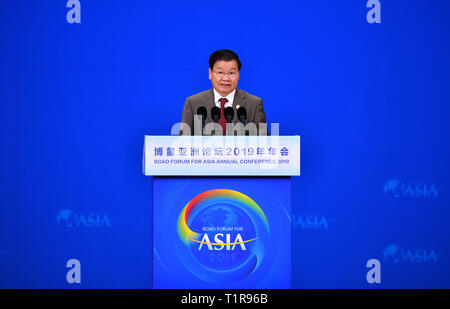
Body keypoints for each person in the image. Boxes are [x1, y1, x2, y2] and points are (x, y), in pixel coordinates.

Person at [180, 49, 267, 135]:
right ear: (210, 73)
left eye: (231, 73)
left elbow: (264, 143)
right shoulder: (193, 103)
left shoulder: (254, 104)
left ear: (238, 74)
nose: (226, 79)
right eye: (220, 72)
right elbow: (183, 142)